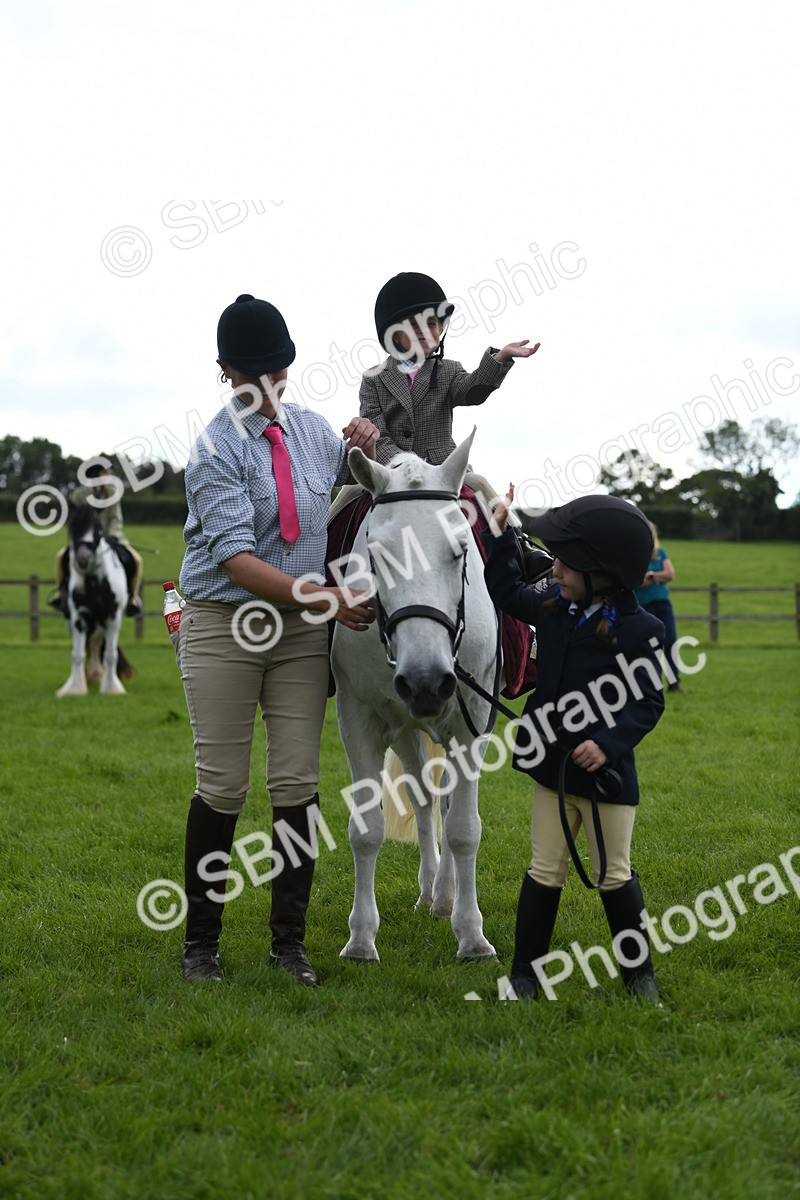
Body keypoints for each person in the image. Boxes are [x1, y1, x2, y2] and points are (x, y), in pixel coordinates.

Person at [177, 293, 379, 987]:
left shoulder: (314, 432)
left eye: (278, 372)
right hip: (222, 624)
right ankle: (200, 945)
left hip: (296, 633)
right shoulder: (213, 448)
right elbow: (236, 560)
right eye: (251, 376)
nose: (267, 388)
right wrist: (325, 597)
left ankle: (288, 945)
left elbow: (358, 484)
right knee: (224, 785)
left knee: (297, 781)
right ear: (225, 370)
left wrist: (367, 445)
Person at [483, 492, 666, 1002]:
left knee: (615, 876)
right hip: (552, 770)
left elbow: (648, 703)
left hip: (606, 780)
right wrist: (499, 535)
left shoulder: (642, 632)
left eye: (567, 562)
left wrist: (607, 744)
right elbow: (504, 590)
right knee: (544, 868)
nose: (555, 568)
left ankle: (640, 977)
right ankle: (525, 973)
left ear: (601, 572)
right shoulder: (554, 608)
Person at [360, 271, 539, 466]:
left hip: (442, 466)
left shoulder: (449, 371)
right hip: (393, 469)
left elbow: (473, 391)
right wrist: (405, 463)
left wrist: (500, 357)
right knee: (349, 495)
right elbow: (377, 435)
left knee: (482, 488)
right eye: (413, 324)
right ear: (393, 336)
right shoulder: (373, 379)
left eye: (431, 323)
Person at [49, 462, 144, 615]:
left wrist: (112, 536)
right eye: (105, 473)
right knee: (60, 557)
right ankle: (59, 594)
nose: (108, 476)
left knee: (138, 560)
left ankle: (132, 598)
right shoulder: (79, 495)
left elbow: (116, 518)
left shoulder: (112, 493)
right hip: (86, 541)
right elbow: (75, 520)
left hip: (112, 538)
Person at [636, 522, 681, 692]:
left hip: (663, 604)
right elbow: (636, 581)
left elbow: (670, 574)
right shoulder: (636, 556)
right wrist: (655, 578)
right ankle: (653, 684)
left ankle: (674, 681)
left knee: (671, 641)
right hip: (644, 606)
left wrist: (651, 576)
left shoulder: (660, 553)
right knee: (651, 646)